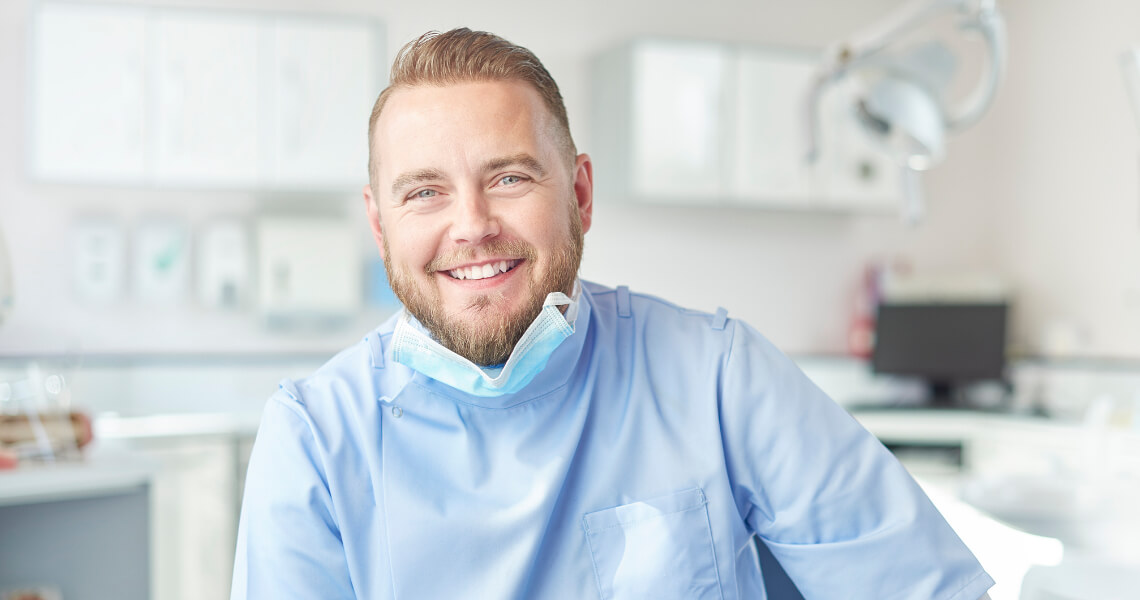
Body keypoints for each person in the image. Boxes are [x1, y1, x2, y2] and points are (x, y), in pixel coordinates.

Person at [231, 28, 995, 600]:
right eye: (423, 191)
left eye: (508, 178)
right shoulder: (315, 441)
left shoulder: (716, 376)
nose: (470, 225)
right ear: (380, 225)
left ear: (581, 195)